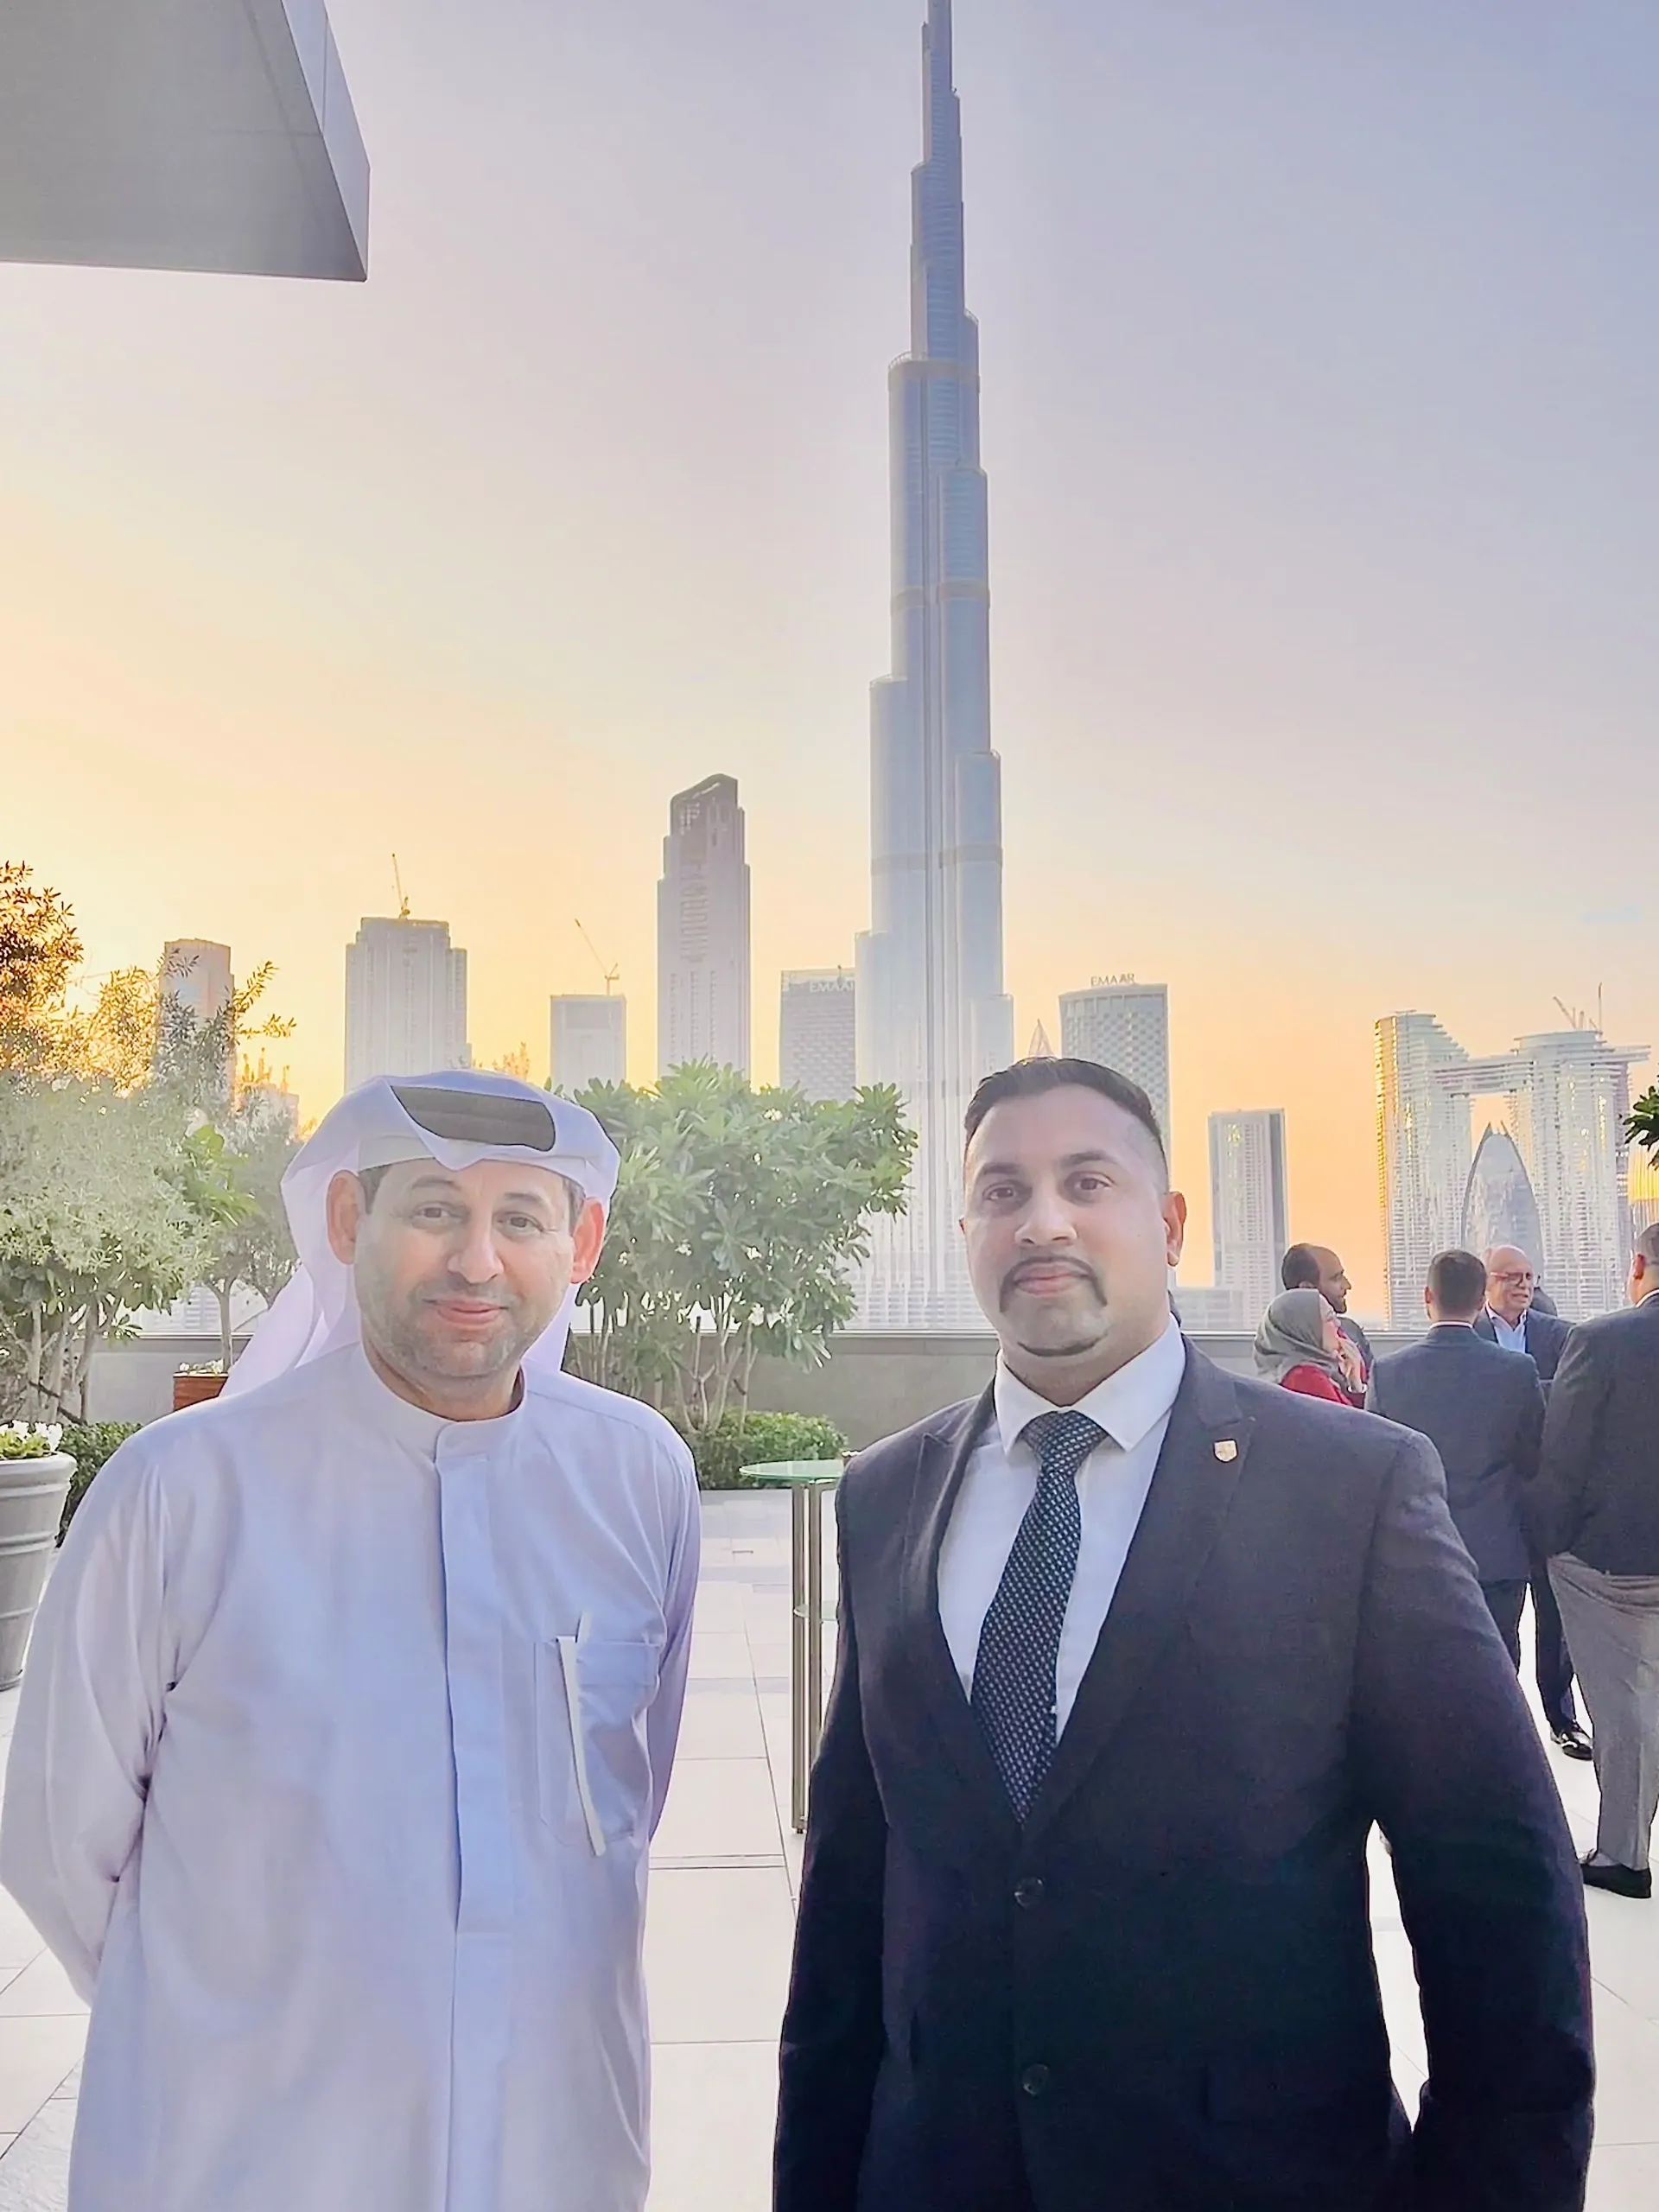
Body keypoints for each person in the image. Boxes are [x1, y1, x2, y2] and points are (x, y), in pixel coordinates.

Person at [774, 1055, 1592, 2212]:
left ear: (1169, 1224)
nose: (1042, 1220)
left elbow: (1500, 1902)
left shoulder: (1348, 1489)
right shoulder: (887, 1496)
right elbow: (849, 1910)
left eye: (1087, 1181)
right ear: (966, 1228)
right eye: (1002, 1192)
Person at [0, 1071, 700, 2212]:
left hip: (554, 2151)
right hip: (249, 2160)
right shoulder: (183, 1491)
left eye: (519, 1218)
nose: (476, 1261)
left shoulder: (638, 1476)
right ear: (344, 1222)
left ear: (582, 1243)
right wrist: (239, 2009)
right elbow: (55, 1838)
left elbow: (628, 1803)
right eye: (432, 1209)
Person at [1531, 1220, 1659, 1900]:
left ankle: (1623, 1856)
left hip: (1608, 1564)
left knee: (1621, 1707)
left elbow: (1564, 1453)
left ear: (1638, 1264)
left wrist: (1546, 1540)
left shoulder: (1600, 1340)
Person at [1366, 1249, 1545, 1669]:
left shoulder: (1389, 1373)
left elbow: (1376, 1465)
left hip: (1418, 1549)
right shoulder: (1518, 1371)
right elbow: (1534, 1457)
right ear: (1483, 1297)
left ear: (1428, 1296)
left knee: (1427, 1671)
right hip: (1497, 1549)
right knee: (1499, 1669)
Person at [1476, 1245, 1592, 1760]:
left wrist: (1520, 1392)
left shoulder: (1557, 1334)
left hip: (1546, 1493)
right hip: (1495, 1498)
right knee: (1500, 1619)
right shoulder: (1469, 1335)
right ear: (1486, 1284)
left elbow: (1573, 1399)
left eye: (1528, 1277)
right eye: (1511, 1277)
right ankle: (1505, 1719)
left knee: (1554, 1615)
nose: (1523, 1286)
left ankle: (1561, 1717)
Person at [1281, 1242, 1372, 1397]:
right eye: (1336, 1279)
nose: (1347, 1286)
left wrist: (1357, 1385)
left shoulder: (1350, 1330)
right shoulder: (1295, 1365)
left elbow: (1376, 1396)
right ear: (1307, 1290)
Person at [1252, 1287, 1362, 1404]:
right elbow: (1352, 1421)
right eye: (1330, 1318)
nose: (1338, 1324)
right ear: (1307, 1330)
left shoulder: (1288, 1371)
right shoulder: (1305, 1377)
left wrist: (1354, 1382)